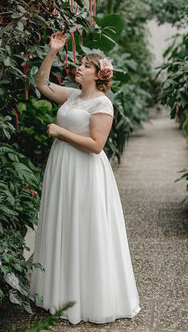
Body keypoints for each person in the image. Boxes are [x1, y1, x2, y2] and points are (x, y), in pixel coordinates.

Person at [30, 31, 141, 325]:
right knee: (62, 223)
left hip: (85, 171)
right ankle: (58, 294)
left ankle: (88, 297)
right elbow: (40, 84)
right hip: (62, 167)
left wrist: (61, 132)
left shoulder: (102, 104)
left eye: (86, 66)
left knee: (84, 226)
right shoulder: (72, 95)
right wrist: (52, 51)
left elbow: (96, 145)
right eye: (80, 64)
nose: (78, 68)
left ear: (98, 75)